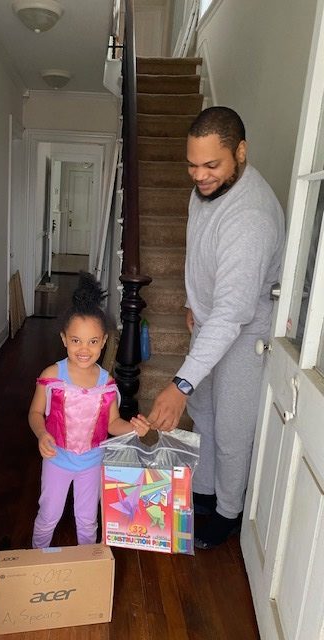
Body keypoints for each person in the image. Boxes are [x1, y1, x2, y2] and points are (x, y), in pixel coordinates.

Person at [147, 107, 285, 549]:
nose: (200, 175)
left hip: (244, 334)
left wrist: (179, 383)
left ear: (240, 153)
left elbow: (232, 313)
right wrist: (192, 300)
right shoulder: (206, 191)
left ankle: (228, 512)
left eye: (212, 165)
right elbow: (200, 251)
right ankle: (204, 493)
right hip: (209, 322)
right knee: (203, 415)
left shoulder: (251, 218)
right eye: (192, 164)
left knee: (231, 427)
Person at [29, 272, 149, 549]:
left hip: (92, 462)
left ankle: (89, 565)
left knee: (87, 520)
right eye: (76, 341)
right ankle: (36, 561)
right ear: (64, 339)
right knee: (48, 515)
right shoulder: (51, 375)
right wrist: (41, 434)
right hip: (57, 459)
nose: (84, 349)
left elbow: (113, 423)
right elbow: (35, 413)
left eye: (93, 341)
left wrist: (133, 427)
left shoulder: (107, 382)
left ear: (104, 341)